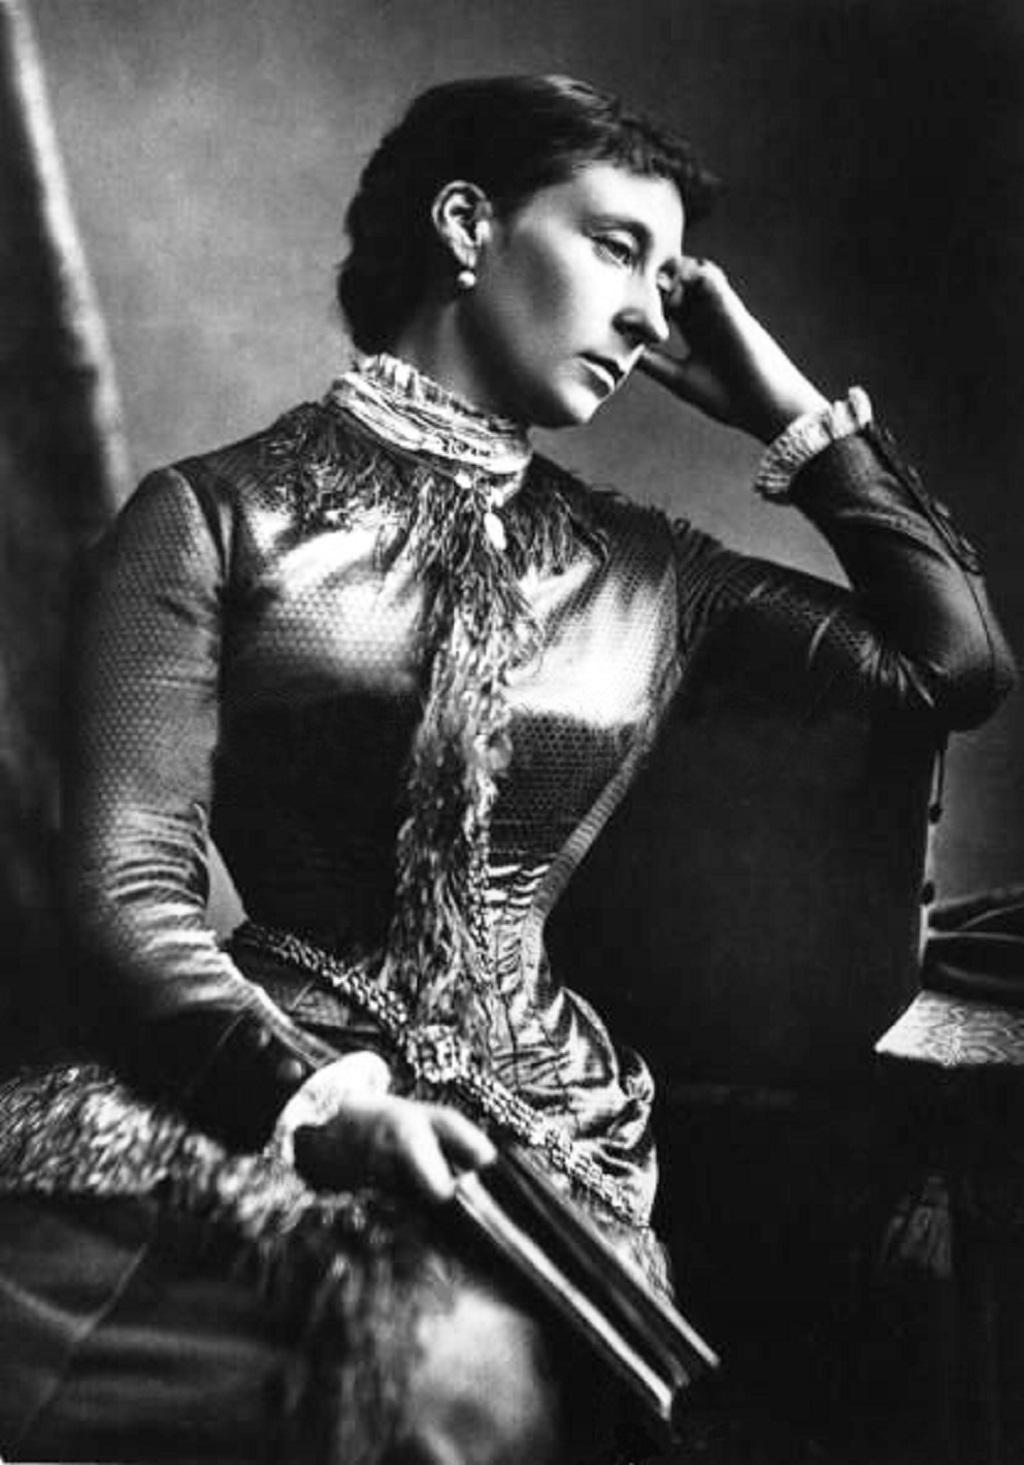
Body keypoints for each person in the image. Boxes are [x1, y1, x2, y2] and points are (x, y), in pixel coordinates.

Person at [0, 72, 1014, 1464]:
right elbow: (127, 890)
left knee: (491, 1380)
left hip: (555, 1140)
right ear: (469, 224)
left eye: (673, 278)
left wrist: (785, 411)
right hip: (269, 1084)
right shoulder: (211, 518)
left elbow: (957, 663)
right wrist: (323, 1104)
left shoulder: (650, 568)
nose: (652, 312)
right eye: (617, 247)